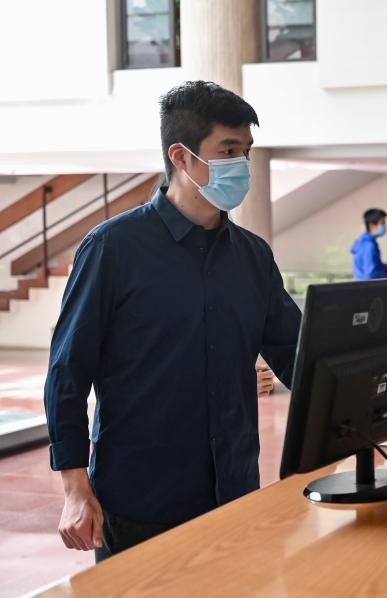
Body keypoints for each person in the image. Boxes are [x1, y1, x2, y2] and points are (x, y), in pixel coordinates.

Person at [44, 81, 302, 561]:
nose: (242, 165)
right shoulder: (112, 249)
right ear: (181, 157)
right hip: (139, 501)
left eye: (246, 152)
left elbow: (300, 356)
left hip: (234, 493)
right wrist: (75, 489)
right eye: (228, 151)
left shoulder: (252, 257)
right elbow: (67, 373)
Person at [351, 208, 387, 280]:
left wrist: (384, 266)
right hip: (367, 286)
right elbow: (371, 273)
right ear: (372, 225)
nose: (384, 227)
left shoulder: (362, 242)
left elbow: (369, 266)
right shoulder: (368, 245)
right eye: (382, 223)